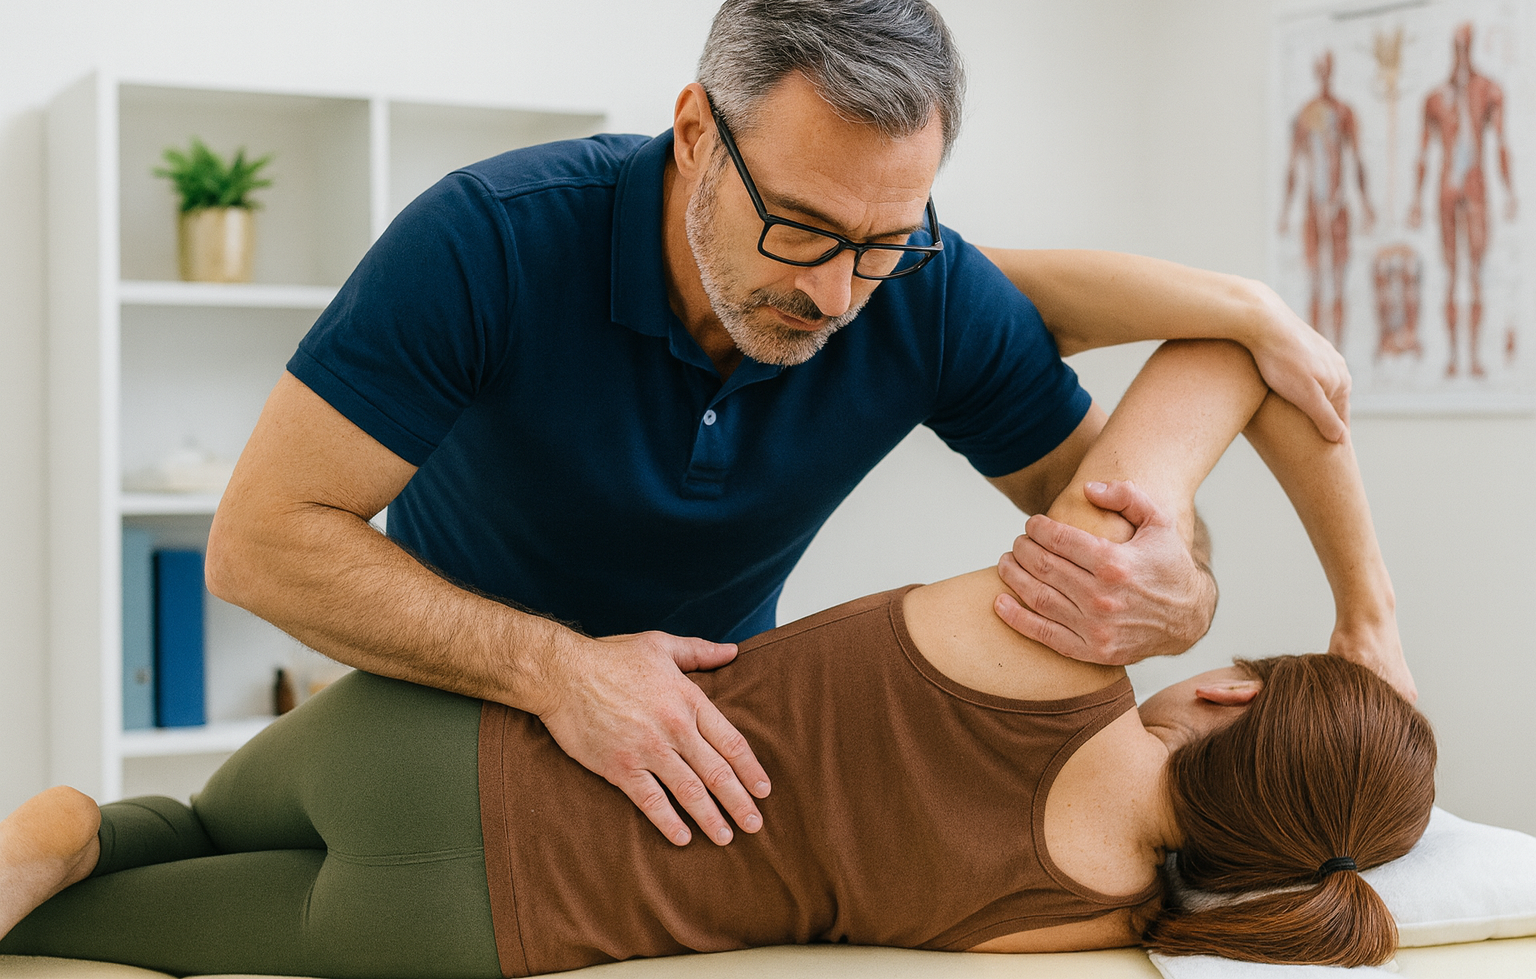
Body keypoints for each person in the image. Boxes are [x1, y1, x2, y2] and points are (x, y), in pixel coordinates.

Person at [205, 0, 1381, 854]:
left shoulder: (919, 288)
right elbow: (260, 543)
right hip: (444, 720)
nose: (831, 293)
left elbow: (1128, 511)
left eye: (878, 242)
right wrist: (561, 670)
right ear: (695, 135)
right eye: (802, 228)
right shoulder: (490, 241)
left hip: (702, 754)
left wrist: (1181, 598)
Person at [0, 340, 1431, 975]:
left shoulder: (1053, 641)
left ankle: (65, 820)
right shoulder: (1089, 922)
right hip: (473, 934)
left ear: (1234, 690)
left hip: (438, 744)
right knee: (65, 936)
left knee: (176, 825)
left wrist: (1369, 617)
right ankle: (65, 850)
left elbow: (1234, 350)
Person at [1406, 22, 1519, 377]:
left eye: (1465, 43)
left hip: (1475, 187)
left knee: (1476, 272)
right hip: (1447, 188)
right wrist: (1415, 200)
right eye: (1457, 44)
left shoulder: (1488, 90)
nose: (1461, 50)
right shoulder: (1436, 98)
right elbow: (1423, 153)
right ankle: (1454, 357)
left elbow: (1501, 143)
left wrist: (1510, 191)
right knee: (1453, 273)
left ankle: (1474, 357)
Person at [1278, 50, 1376, 348]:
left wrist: (1365, 204)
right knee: (1315, 283)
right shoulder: (1305, 115)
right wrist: (1285, 211)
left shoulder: (1345, 113)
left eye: (1327, 68)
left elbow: (1356, 160)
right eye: (1319, 69)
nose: (1323, 74)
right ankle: (1316, 354)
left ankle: (1338, 354)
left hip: (1337, 206)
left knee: (1338, 284)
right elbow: (1293, 166)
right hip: (1313, 207)